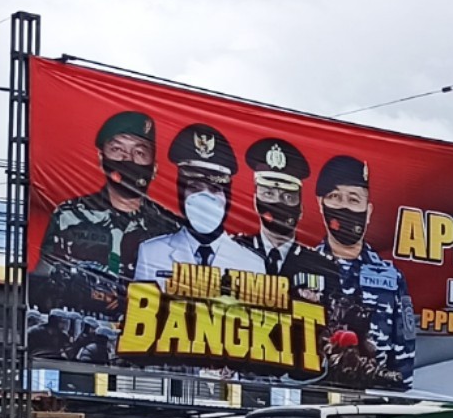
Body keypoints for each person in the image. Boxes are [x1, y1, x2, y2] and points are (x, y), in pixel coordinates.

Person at [29, 111, 183, 357]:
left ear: (154, 168)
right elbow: (38, 282)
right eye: (118, 150)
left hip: (147, 346)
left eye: (139, 152)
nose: (128, 160)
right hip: (75, 339)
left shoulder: (172, 229)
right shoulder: (69, 216)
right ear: (101, 159)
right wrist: (70, 290)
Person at [314, 154, 418, 388]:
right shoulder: (300, 267)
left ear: (368, 211)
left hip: (373, 398)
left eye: (353, 199)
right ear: (320, 205)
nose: (343, 206)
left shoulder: (391, 276)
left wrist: (398, 397)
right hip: (314, 393)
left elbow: (405, 346)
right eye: (334, 197)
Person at [132, 124, 265, 283]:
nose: (205, 198)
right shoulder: (151, 253)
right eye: (194, 187)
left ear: (227, 197)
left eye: (215, 189)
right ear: (181, 193)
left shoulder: (252, 265)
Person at [232, 138, 331, 286]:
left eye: (288, 197)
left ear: (301, 209)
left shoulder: (322, 266)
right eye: (269, 194)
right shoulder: (233, 251)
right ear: (255, 201)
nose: (278, 204)